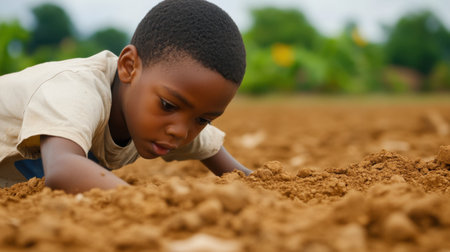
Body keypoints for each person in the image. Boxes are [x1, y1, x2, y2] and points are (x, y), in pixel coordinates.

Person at [0, 0, 252, 193]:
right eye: (168, 105)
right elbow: (63, 168)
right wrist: (145, 203)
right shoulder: (76, 89)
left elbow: (238, 172)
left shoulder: (174, 118)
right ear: (129, 67)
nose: (180, 132)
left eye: (203, 120)